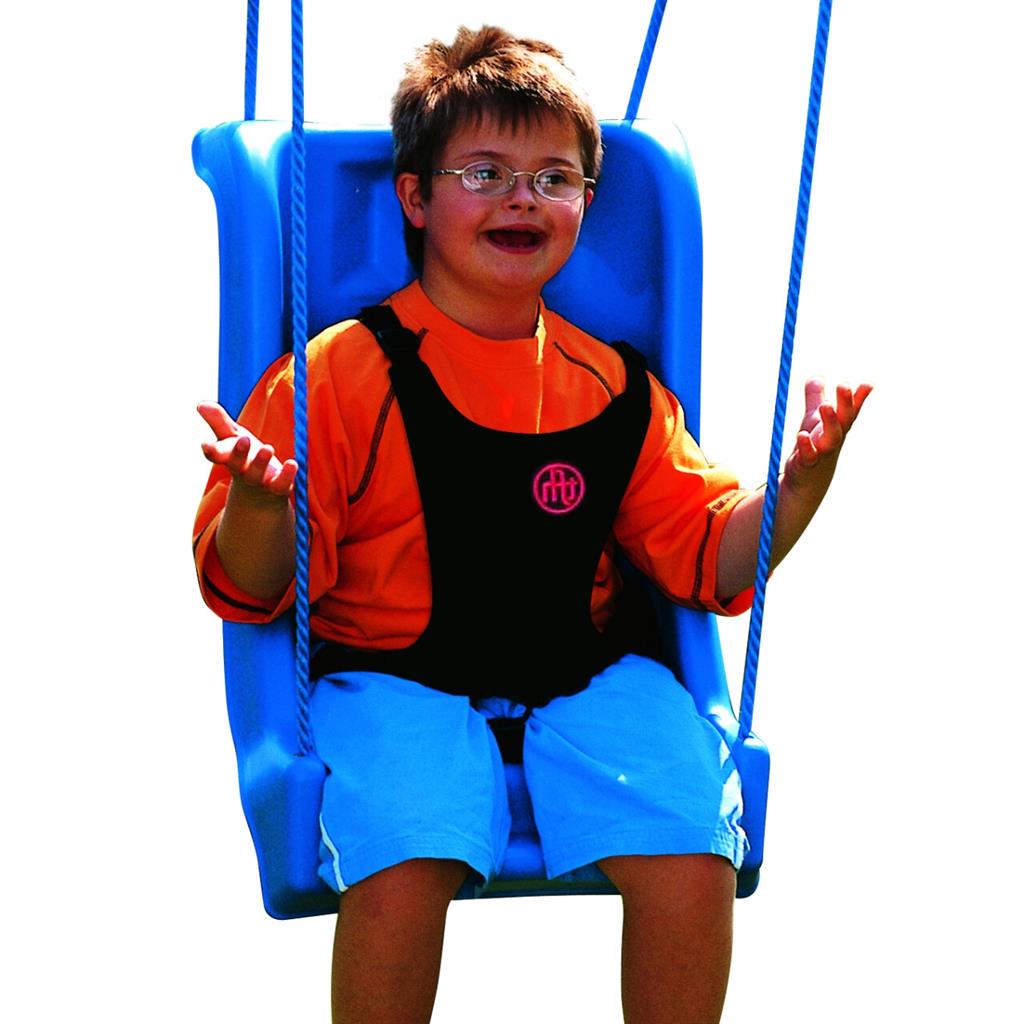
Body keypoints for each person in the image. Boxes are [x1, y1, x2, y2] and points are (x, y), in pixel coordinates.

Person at [194, 25, 870, 1024]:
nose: (522, 198)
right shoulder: (337, 376)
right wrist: (260, 504)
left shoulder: (616, 390)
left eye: (554, 178)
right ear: (414, 198)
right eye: (484, 173)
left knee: (693, 842)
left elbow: (707, 554)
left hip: (578, 669)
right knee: (408, 848)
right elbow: (251, 591)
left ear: (587, 204)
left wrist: (796, 490)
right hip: (389, 671)